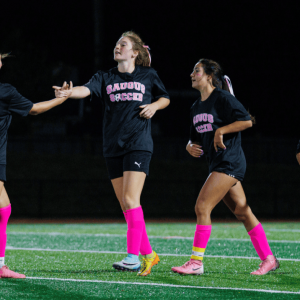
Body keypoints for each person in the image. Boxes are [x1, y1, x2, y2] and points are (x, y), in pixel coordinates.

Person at [53, 31, 170, 276]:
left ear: (134, 52)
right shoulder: (105, 76)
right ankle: (149, 254)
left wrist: (154, 106)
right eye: (117, 44)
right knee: (127, 205)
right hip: (112, 145)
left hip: (138, 142)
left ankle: (132, 258)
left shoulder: (148, 75)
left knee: (130, 200)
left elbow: (165, 98)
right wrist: (67, 93)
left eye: (123, 44)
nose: (117, 47)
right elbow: (85, 90)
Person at [171, 58, 279, 276]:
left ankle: (196, 262)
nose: (192, 74)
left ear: (210, 76)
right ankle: (269, 259)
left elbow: (247, 121)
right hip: (217, 163)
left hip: (230, 161)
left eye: (197, 71)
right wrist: (189, 146)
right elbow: (194, 139)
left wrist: (221, 131)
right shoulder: (195, 107)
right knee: (242, 211)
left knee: (202, 206)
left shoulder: (222, 98)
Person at [0, 52, 71, 279]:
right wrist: (62, 99)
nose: (0, 62)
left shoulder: (6, 91)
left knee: (4, 208)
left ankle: (0, 265)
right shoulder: (5, 91)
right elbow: (35, 109)